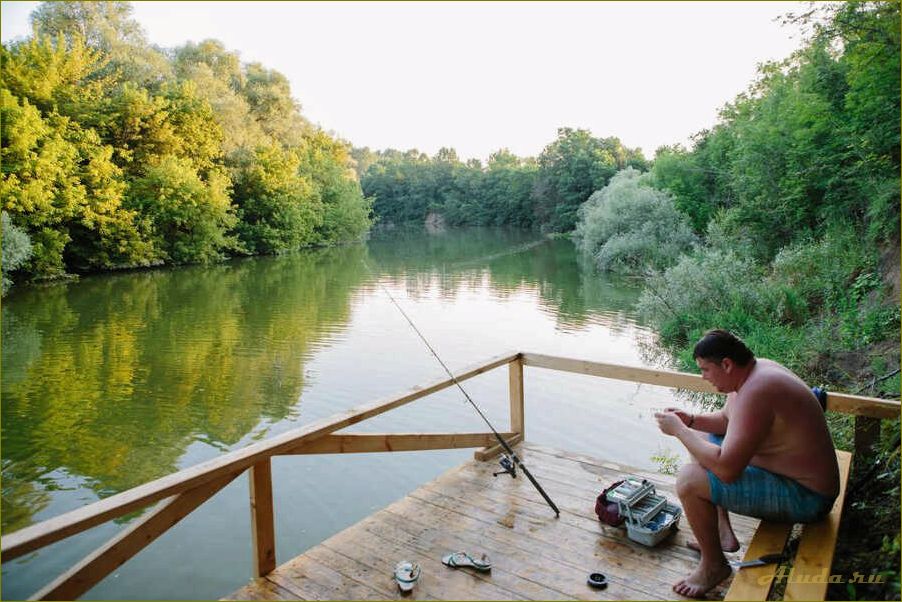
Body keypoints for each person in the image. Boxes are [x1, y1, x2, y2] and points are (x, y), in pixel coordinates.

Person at [654, 329, 839, 598]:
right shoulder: (753, 374)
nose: (703, 377)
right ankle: (722, 533)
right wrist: (690, 420)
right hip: (790, 475)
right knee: (702, 436)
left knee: (689, 481)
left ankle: (714, 566)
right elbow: (727, 422)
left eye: (706, 370)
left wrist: (679, 431)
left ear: (726, 364)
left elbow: (727, 471)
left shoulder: (759, 390)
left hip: (808, 496)